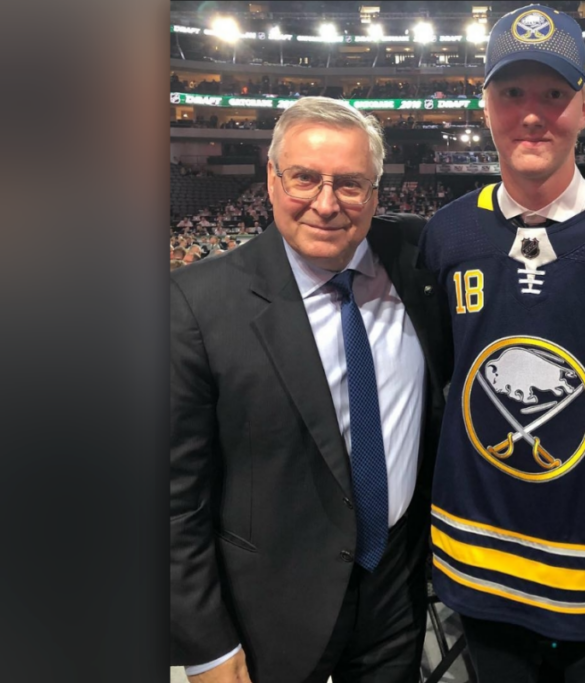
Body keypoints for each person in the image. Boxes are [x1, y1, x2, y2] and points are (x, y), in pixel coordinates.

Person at [418, 5, 585, 682]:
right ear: (486, 106)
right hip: (480, 562)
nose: (533, 114)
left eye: (554, 94)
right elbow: (441, 372)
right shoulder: (448, 234)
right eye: (512, 93)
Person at [170, 97, 452, 683]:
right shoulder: (196, 303)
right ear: (271, 180)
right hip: (266, 607)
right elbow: (174, 502)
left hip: (396, 591)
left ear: (377, 193)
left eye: (350, 184)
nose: (326, 204)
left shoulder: (420, 268)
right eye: (304, 178)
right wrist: (208, 648)